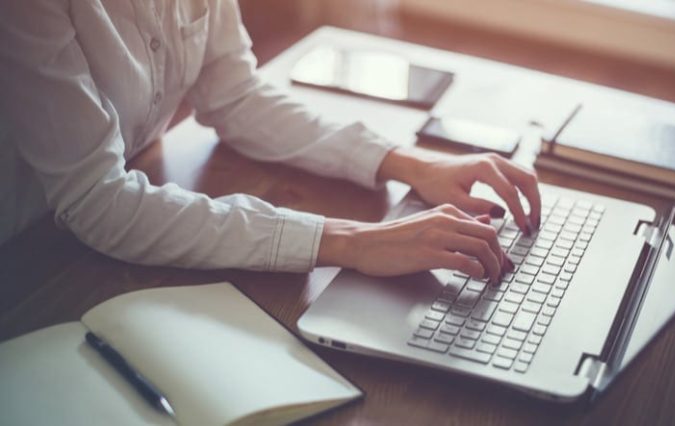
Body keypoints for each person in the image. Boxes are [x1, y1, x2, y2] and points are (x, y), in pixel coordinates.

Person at [0, 0, 540, 284]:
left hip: (99, 240)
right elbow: (98, 200)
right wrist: (352, 241)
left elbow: (234, 94)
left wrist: (405, 163)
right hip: (24, 267)